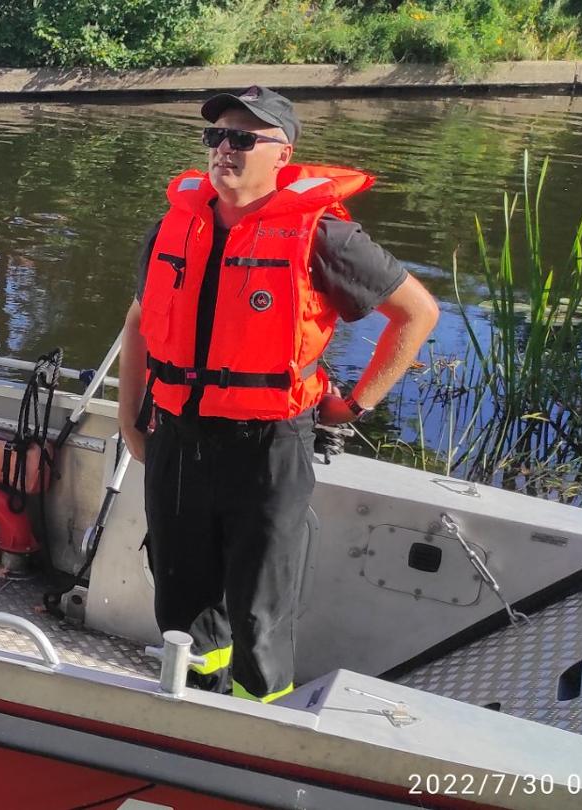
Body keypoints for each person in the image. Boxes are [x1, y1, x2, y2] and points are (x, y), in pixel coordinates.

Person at [116, 87, 440, 702]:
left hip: (267, 447)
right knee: (182, 605)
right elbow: (137, 325)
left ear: (282, 154)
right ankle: (191, 710)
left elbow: (417, 314)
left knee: (259, 613)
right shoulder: (173, 225)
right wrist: (132, 418)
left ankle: (257, 728)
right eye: (216, 137)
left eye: (243, 139)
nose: (223, 151)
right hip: (177, 439)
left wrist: (354, 405)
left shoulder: (325, 237)